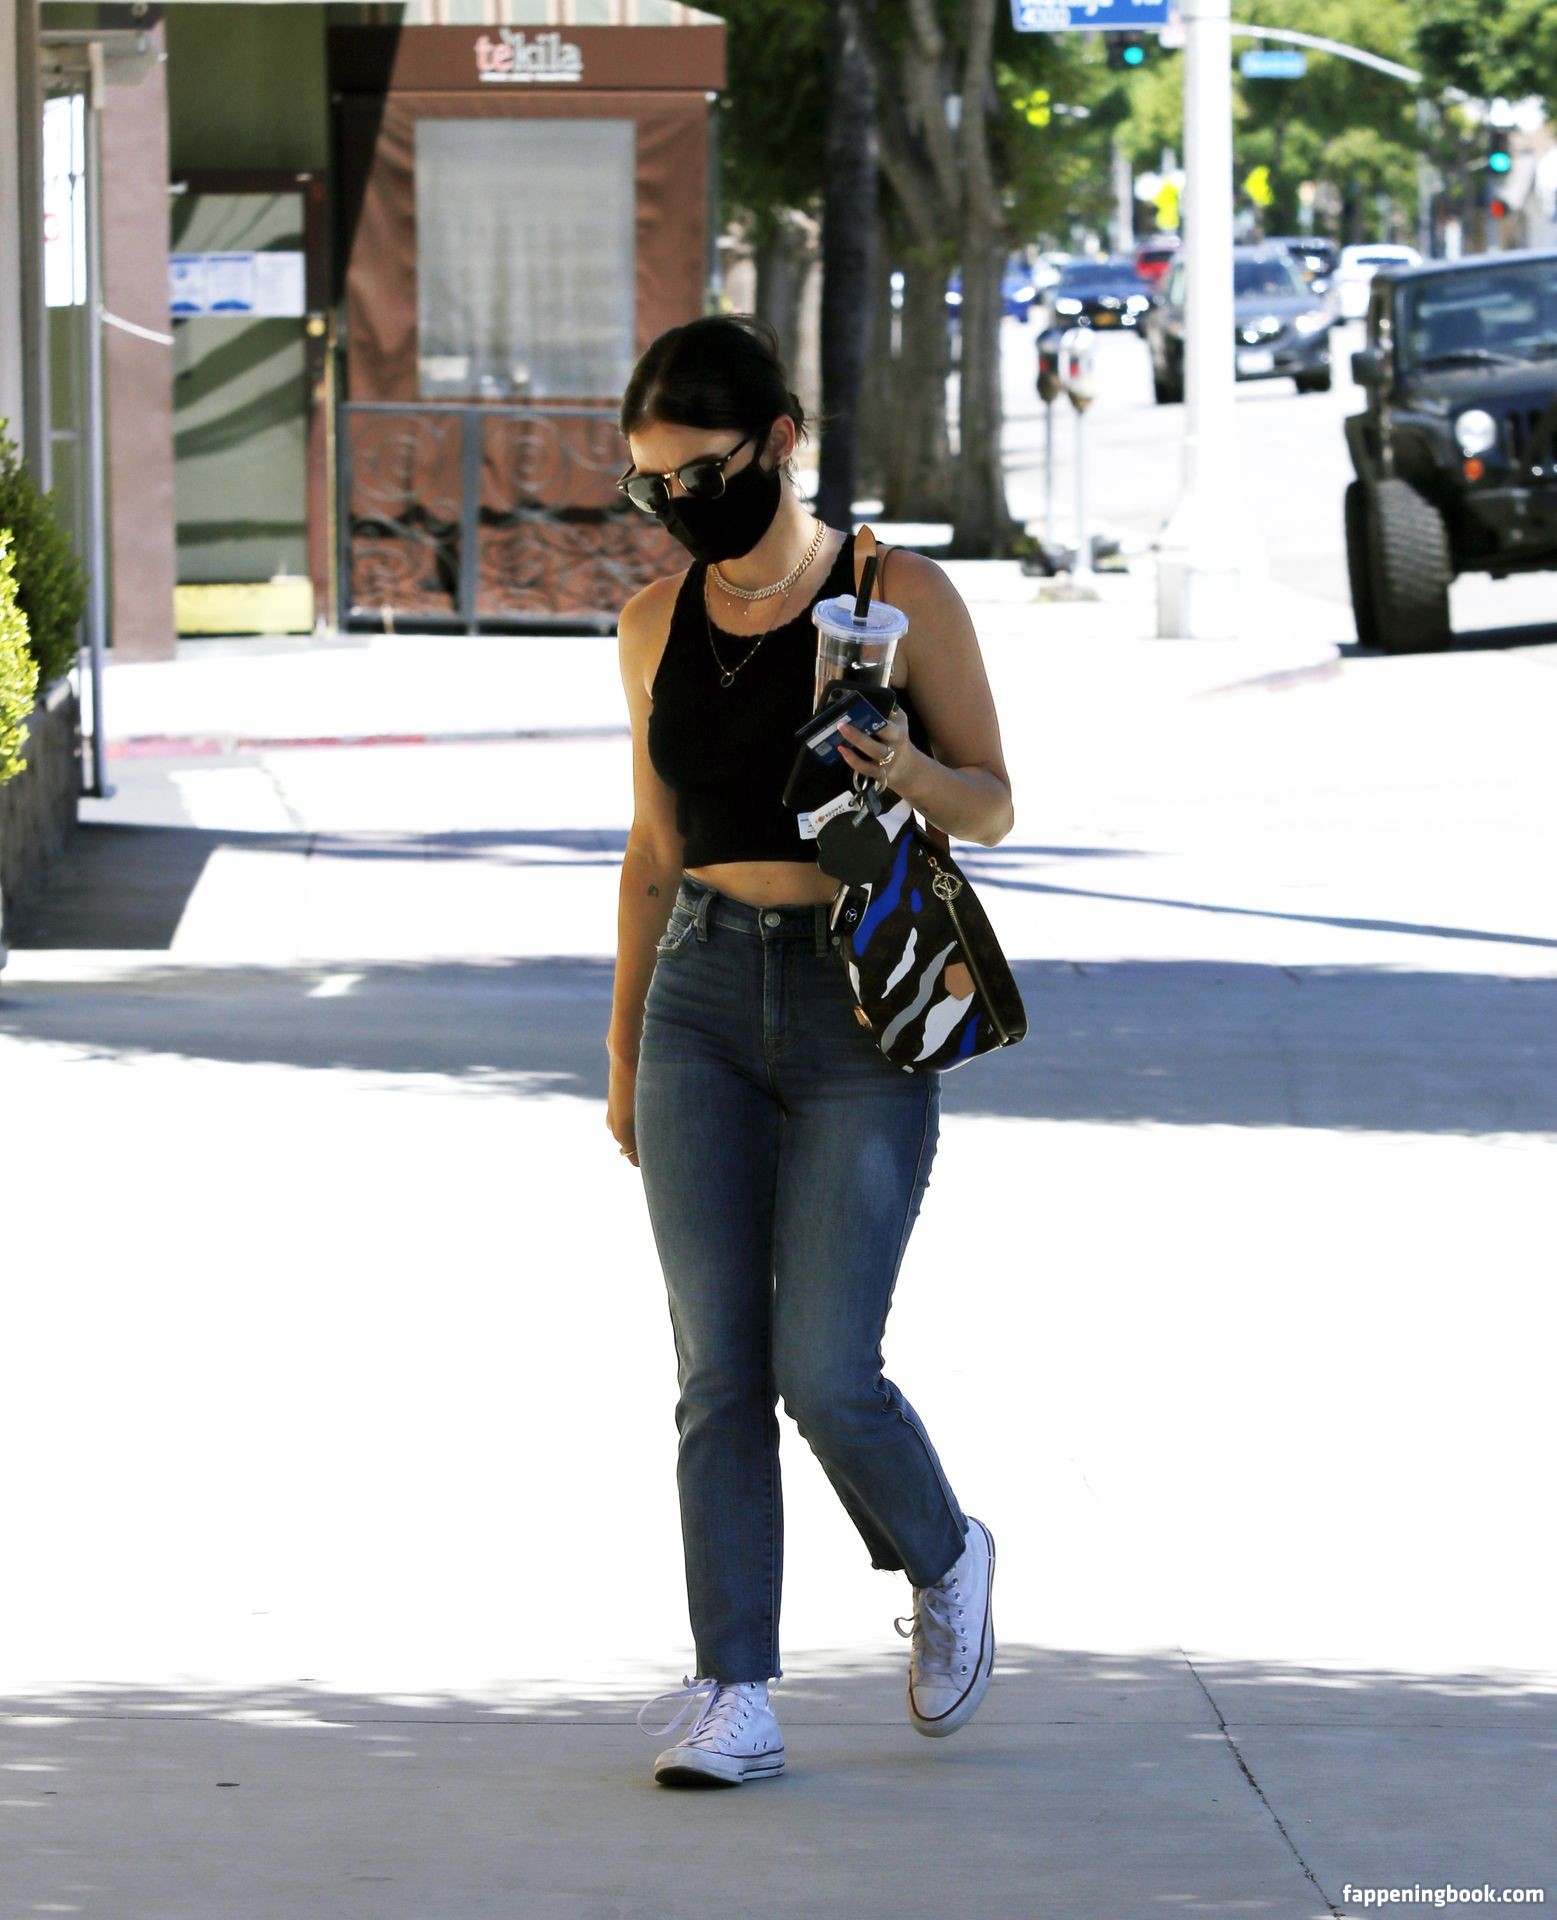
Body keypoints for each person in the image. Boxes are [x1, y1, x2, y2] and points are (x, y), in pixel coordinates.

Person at [604, 314, 1014, 1789]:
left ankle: (945, 1553)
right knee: (716, 1371)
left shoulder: (896, 596)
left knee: (825, 1371)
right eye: (651, 484)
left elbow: (992, 804)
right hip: (702, 995)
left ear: (778, 441)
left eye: (700, 474)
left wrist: (900, 761)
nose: (678, 505)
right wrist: (621, 1051)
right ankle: (735, 1689)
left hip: (859, 997)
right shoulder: (651, 624)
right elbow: (652, 851)